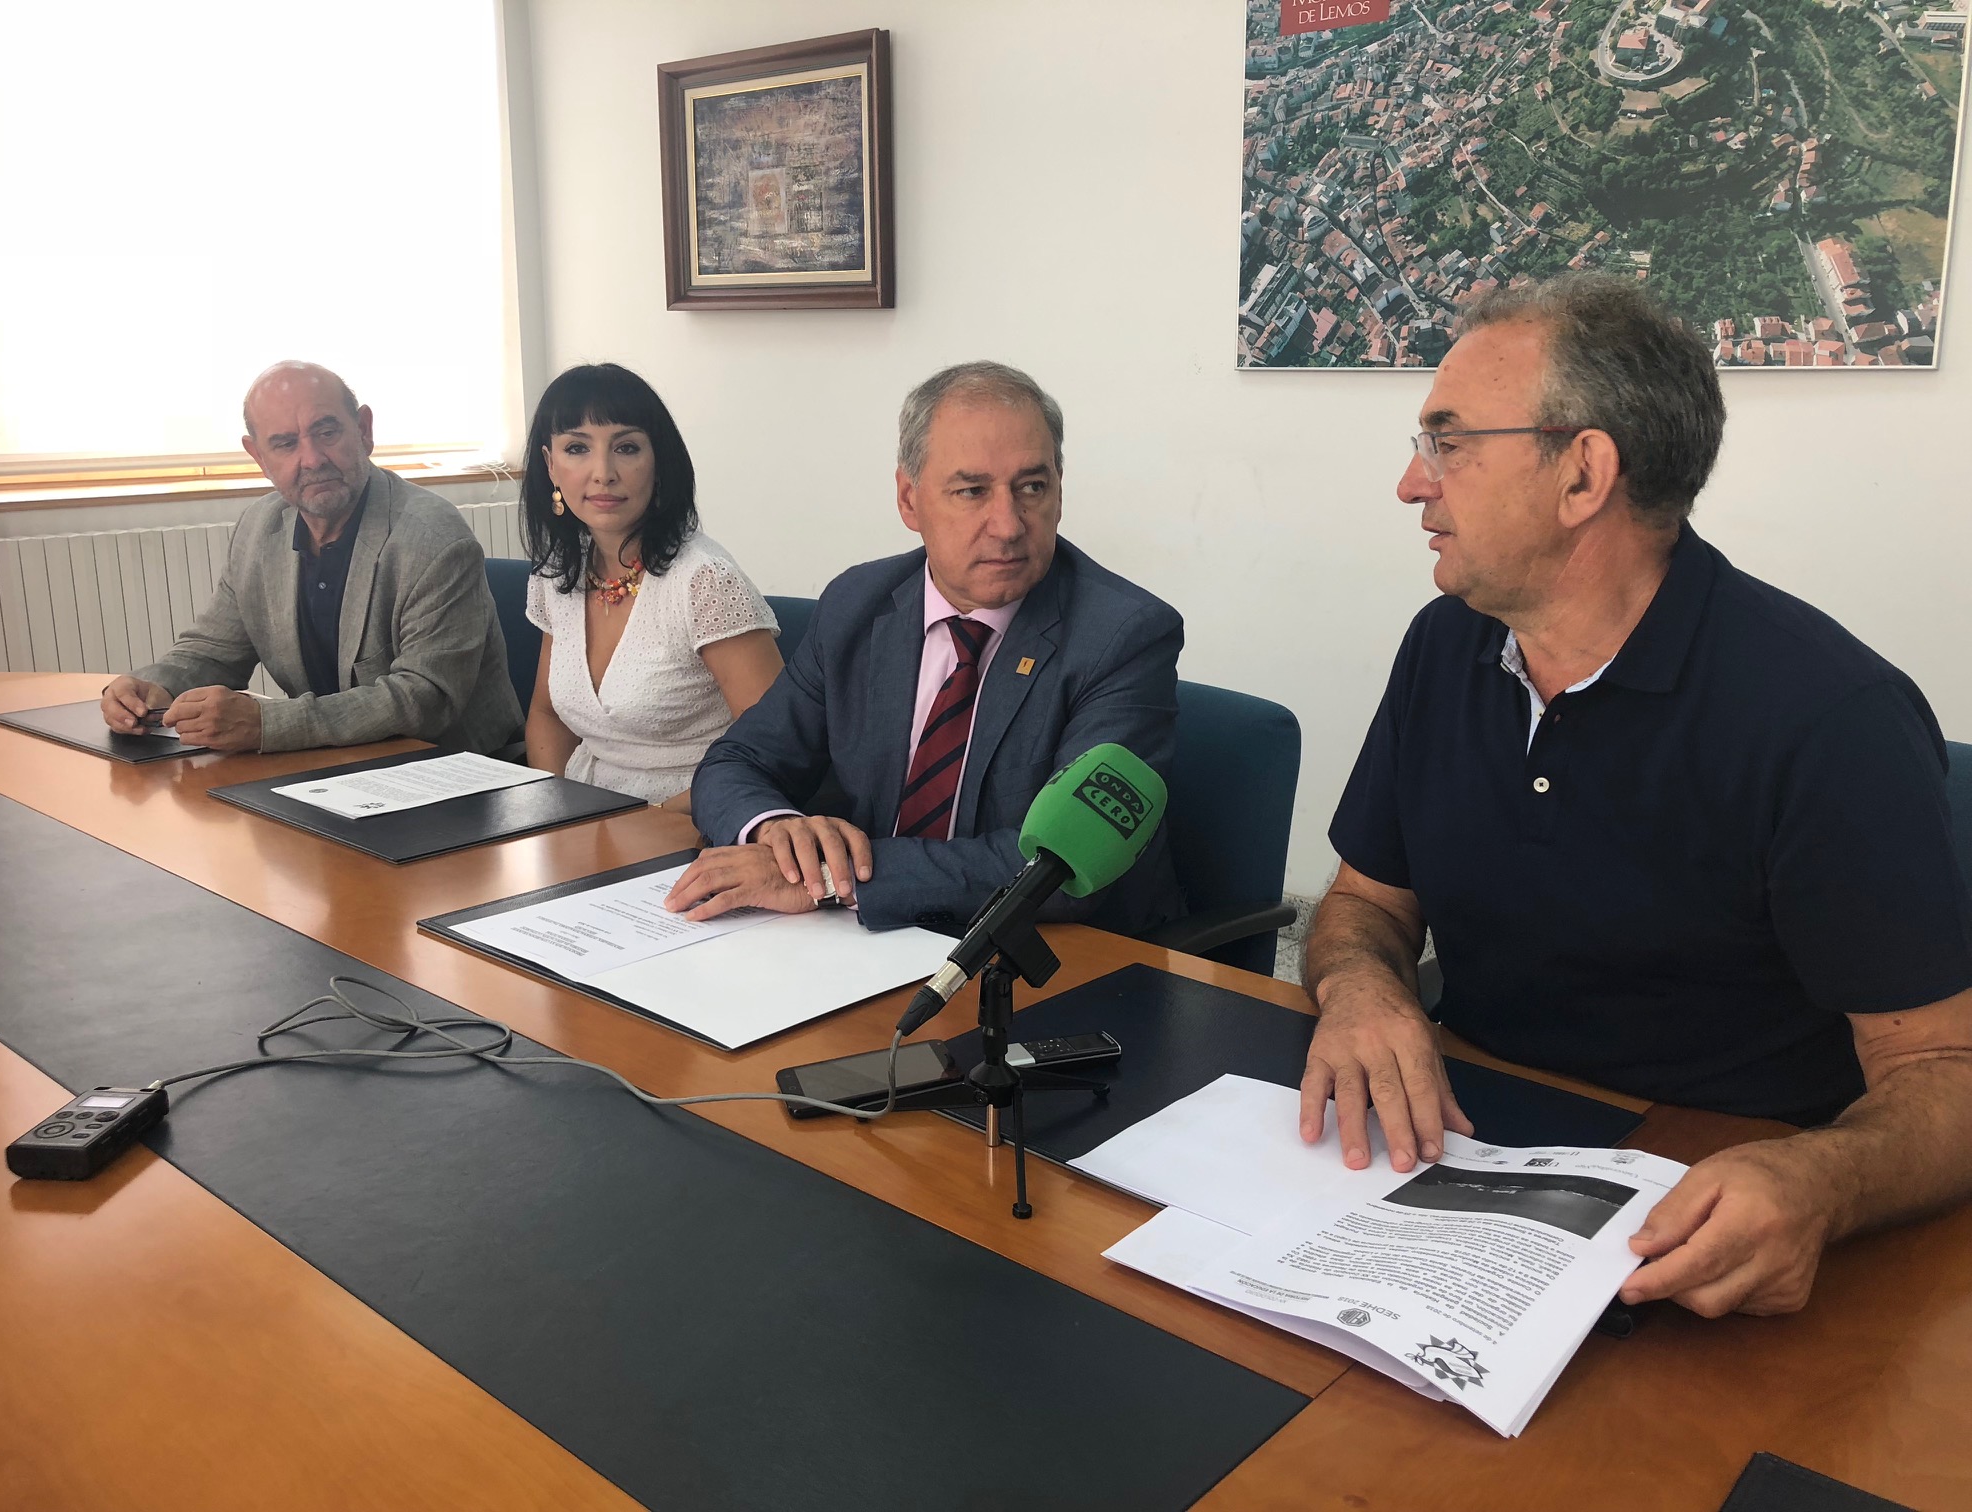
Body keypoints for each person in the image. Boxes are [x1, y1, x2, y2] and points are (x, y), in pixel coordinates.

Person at [1302, 272, 1972, 1318]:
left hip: (1709, 1226)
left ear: (1583, 474)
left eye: (1449, 443)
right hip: (1457, 1163)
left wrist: (1821, 1182)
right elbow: (1363, 905)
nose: (1411, 483)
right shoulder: (1446, 645)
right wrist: (1360, 989)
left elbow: (1944, 1070)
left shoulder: (1828, 717)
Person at [669, 360, 1185, 936]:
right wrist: (777, 833)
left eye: (1032, 487)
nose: (1008, 525)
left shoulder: (1124, 636)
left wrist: (834, 878)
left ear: (1059, 491)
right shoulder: (857, 605)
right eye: (972, 491)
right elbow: (738, 760)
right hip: (864, 940)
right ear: (909, 500)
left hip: (1053, 950)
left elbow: (1062, 867)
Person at [101, 362, 521, 754]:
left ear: (364, 430)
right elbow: (212, 652)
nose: (313, 459)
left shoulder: (433, 539)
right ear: (259, 457)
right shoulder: (258, 530)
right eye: (286, 444)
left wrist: (267, 724)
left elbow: (425, 699)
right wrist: (152, 687)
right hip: (328, 768)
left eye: (327, 432)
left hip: (452, 772)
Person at [519, 364, 782, 807]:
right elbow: (548, 716)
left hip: (695, 816)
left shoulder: (705, 580)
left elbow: (775, 750)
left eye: (626, 447)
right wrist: (555, 813)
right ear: (550, 466)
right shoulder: (557, 573)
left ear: (658, 462)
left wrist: (647, 822)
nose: (603, 472)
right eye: (577, 448)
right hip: (587, 811)